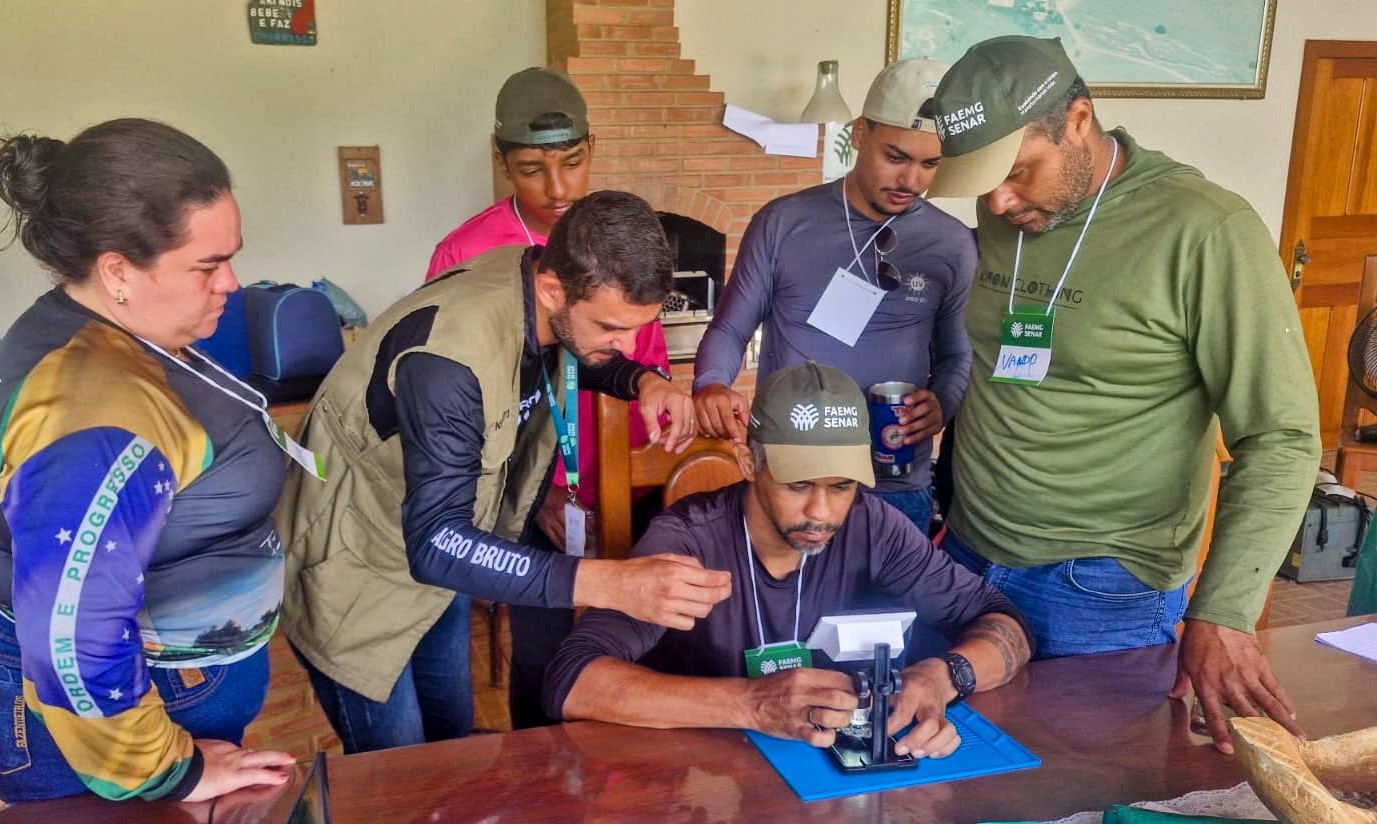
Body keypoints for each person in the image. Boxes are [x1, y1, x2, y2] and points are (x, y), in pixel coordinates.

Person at [926, 35, 1323, 755]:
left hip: (1098, 585)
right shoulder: (1009, 209)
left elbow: (1281, 436)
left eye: (1016, 172)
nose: (998, 200)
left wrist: (1224, 611)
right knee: (952, 780)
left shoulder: (1204, 230)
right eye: (983, 182)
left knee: (1077, 789)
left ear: (1078, 121)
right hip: (967, 554)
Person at [279, 190, 731, 754]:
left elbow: (583, 345)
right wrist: (610, 582)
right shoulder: (449, 364)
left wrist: (642, 381)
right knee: (398, 768)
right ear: (552, 290)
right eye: (614, 328)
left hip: (437, 560)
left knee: (450, 740)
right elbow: (436, 542)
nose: (628, 344)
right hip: (358, 569)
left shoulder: (539, 281)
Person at [0, 118, 296, 802]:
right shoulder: (94, 404)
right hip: (119, 720)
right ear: (117, 272)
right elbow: (72, 635)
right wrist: (169, 771)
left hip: (163, 682)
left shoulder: (97, 327)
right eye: (206, 266)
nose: (231, 282)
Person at [543, 362, 1033, 754]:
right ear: (748, 463)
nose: (821, 512)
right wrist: (750, 704)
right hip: (703, 780)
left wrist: (943, 676)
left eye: (840, 486)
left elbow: (1003, 621)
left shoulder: (872, 525)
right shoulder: (688, 540)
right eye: (798, 485)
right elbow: (572, 681)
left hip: (832, 779)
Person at [426, 67, 674, 728]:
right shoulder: (466, 253)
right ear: (500, 160)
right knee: (540, 660)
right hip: (524, 500)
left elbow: (635, 362)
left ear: (592, 148)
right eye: (532, 170)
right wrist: (537, 496)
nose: (557, 188)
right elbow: (462, 405)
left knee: (625, 655)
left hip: (617, 489)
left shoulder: (620, 245)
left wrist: (654, 385)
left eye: (571, 163)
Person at [691, 58, 975, 534]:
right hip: (792, 477)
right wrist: (712, 383)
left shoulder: (951, 243)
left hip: (895, 481)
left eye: (930, 164)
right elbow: (730, 328)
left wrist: (942, 402)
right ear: (860, 134)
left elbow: (958, 354)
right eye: (896, 157)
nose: (911, 182)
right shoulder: (783, 223)